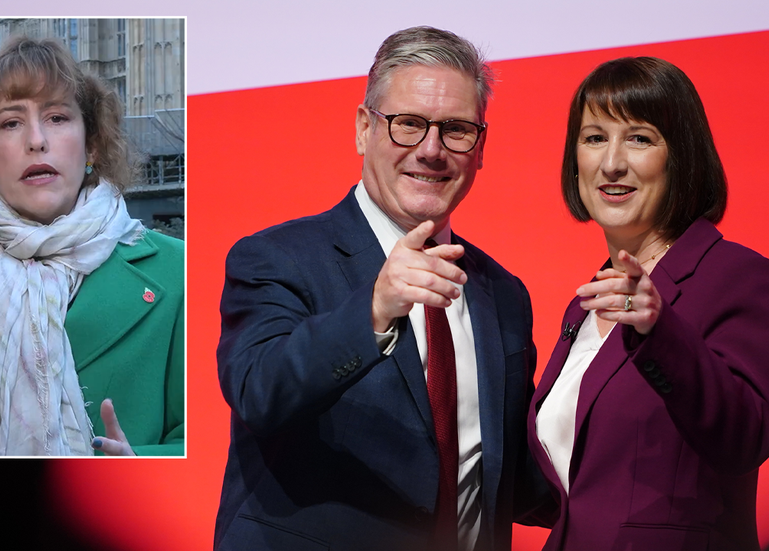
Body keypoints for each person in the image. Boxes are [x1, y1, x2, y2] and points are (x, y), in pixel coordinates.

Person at [216, 26, 545, 551]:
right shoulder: (276, 257)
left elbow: (517, 479)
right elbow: (259, 393)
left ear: (481, 149)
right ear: (364, 129)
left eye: (457, 129)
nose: (432, 150)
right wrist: (373, 312)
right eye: (408, 124)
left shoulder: (503, 293)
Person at [528, 56, 769, 550]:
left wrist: (660, 330)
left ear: (681, 156)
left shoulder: (738, 277)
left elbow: (746, 438)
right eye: (594, 138)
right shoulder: (585, 305)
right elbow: (575, 487)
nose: (611, 162)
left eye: (639, 138)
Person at [0, 36, 184, 456]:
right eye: (11, 123)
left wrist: (141, 472)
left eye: (56, 117)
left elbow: (209, 442)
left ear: (91, 145)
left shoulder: (177, 270)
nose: (36, 140)